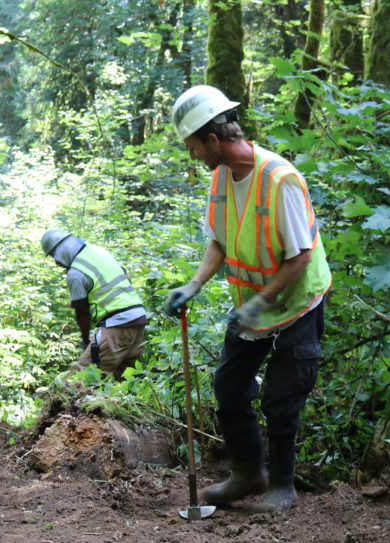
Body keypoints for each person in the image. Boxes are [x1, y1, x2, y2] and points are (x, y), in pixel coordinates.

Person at [165, 85, 332, 512]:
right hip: (254, 305)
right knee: (230, 384)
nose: (194, 157)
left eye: (193, 147)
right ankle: (247, 474)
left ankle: (281, 486)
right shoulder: (222, 178)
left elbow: (299, 257)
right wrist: (194, 285)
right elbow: (219, 243)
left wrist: (258, 303)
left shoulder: (281, 180)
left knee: (282, 395)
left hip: (298, 303)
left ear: (214, 140)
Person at [41, 229, 148, 380]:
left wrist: (86, 340)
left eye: (54, 256)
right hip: (138, 319)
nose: (56, 262)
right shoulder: (98, 251)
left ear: (60, 252)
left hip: (117, 324)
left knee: (84, 377)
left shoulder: (75, 274)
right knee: (126, 380)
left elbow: (82, 312)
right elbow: (126, 275)